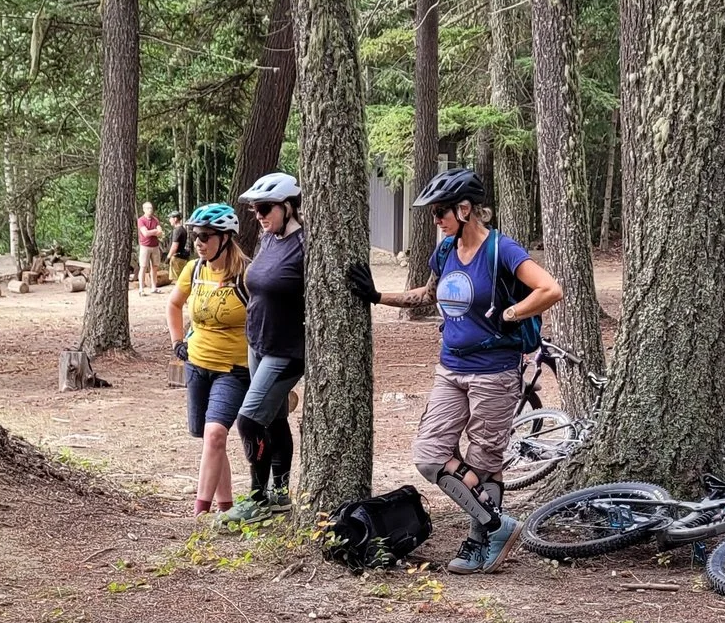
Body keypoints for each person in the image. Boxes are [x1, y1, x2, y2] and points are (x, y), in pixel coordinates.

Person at [347, 168, 564, 573]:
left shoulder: (503, 249)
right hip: (450, 368)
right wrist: (378, 296)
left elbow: (551, 289)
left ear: (465, 209)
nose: (435, 219)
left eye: (441, 211)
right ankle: (498, 525)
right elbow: (428, 295)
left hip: (494, 372)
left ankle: (479, 545)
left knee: (485, 461)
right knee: (430, 456)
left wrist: (512, 313)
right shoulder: (445, 251)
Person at [167, 203, 249, 518]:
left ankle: (199, 514)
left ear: (226, 238)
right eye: (194, 236)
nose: (198, 243)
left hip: (235, 369)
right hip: (197, 365)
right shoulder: (195, 269)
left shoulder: (247, 274)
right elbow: (173, 305)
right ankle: (225, 505)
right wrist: (177, 341)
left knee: (216, 433)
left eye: (205, 236)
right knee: (208, 437)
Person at [232, 171, 306, 517]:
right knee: (274, 420)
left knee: (248, 421)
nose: (259, 215)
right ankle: (279, 494)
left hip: (286, 349)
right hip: (257, 342)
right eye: (255, 209)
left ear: (289, 207)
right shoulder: (268, 239)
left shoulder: (305, 245)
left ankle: (257, 498)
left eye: (265, 208)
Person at [136, 200, 165, 292]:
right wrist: (154, 231)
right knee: (143, 267)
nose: (150, 210)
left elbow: (160, 232)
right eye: (148, 208)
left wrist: (151, 232)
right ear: (144, 209)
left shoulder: (155, 220)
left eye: (151, 208)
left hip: (155, 246)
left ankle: (154, 287)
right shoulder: (141, 220)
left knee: (155, 267)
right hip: (145, 246)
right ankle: (141, 288)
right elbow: (145, 233)